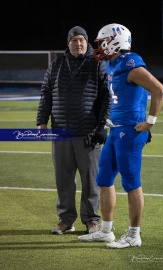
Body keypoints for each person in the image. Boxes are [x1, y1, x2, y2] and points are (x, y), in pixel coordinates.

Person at [78, 23, 163, 248]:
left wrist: (150, 122)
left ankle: (134, 235)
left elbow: (158, 89)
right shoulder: (113, 64)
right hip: (116, 129)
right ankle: (106, 231)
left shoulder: (131, 65)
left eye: (102, 42)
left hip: (130, 131)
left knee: (131, 183)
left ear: (115, 42)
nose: (99, 47)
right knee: (104, 179)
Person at [36, 26, 111, 235]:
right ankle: (66, 220)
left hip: (88, 132)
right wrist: (42, 121)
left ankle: (91, 220)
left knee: (90, 180)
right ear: (68, 43)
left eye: (82, 40)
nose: (78, 44)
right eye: (74, 40)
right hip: (60, 132)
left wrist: (102, 124)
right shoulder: (56, 64)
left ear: (87, 42)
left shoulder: (97, 64)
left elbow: (106, 97)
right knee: (63, 179)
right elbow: (46, 94)